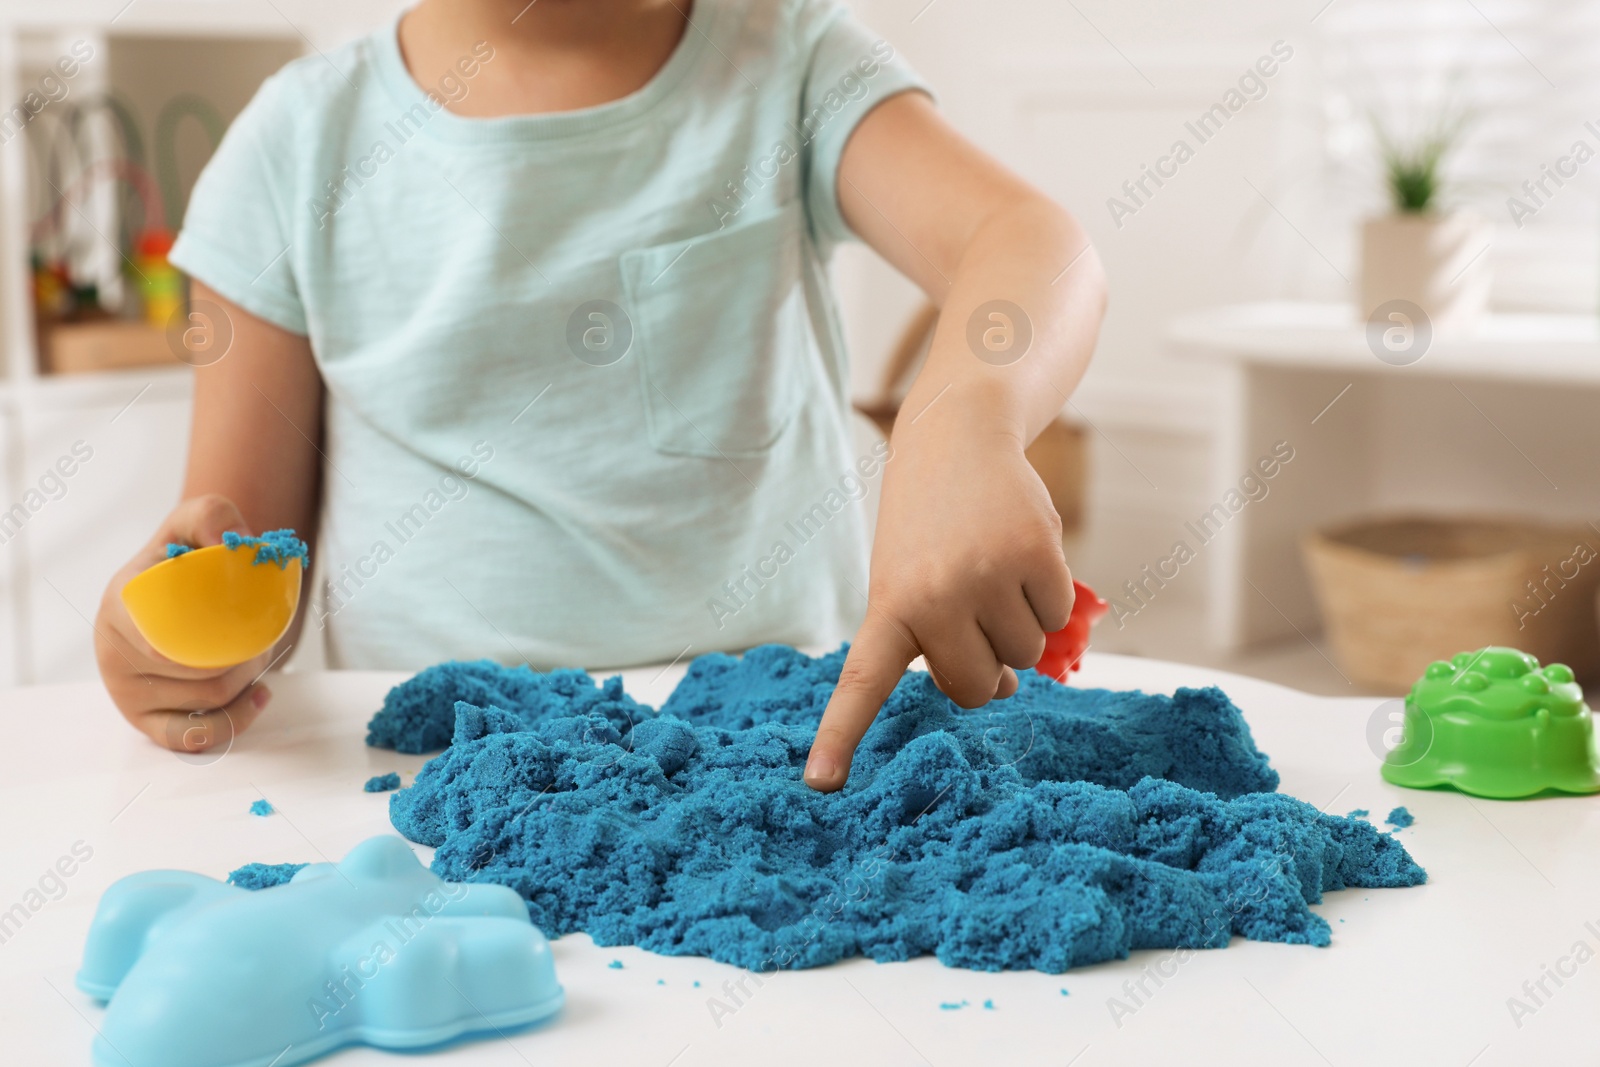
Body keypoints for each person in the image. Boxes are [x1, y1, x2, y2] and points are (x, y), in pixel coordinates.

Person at [93, 0, 1105, 791]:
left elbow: (1031, 246)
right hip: (434, 777)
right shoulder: (295, 145)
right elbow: (241, 562)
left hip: (783, 759)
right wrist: (172, 645)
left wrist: (959, 424)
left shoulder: (790, 63)